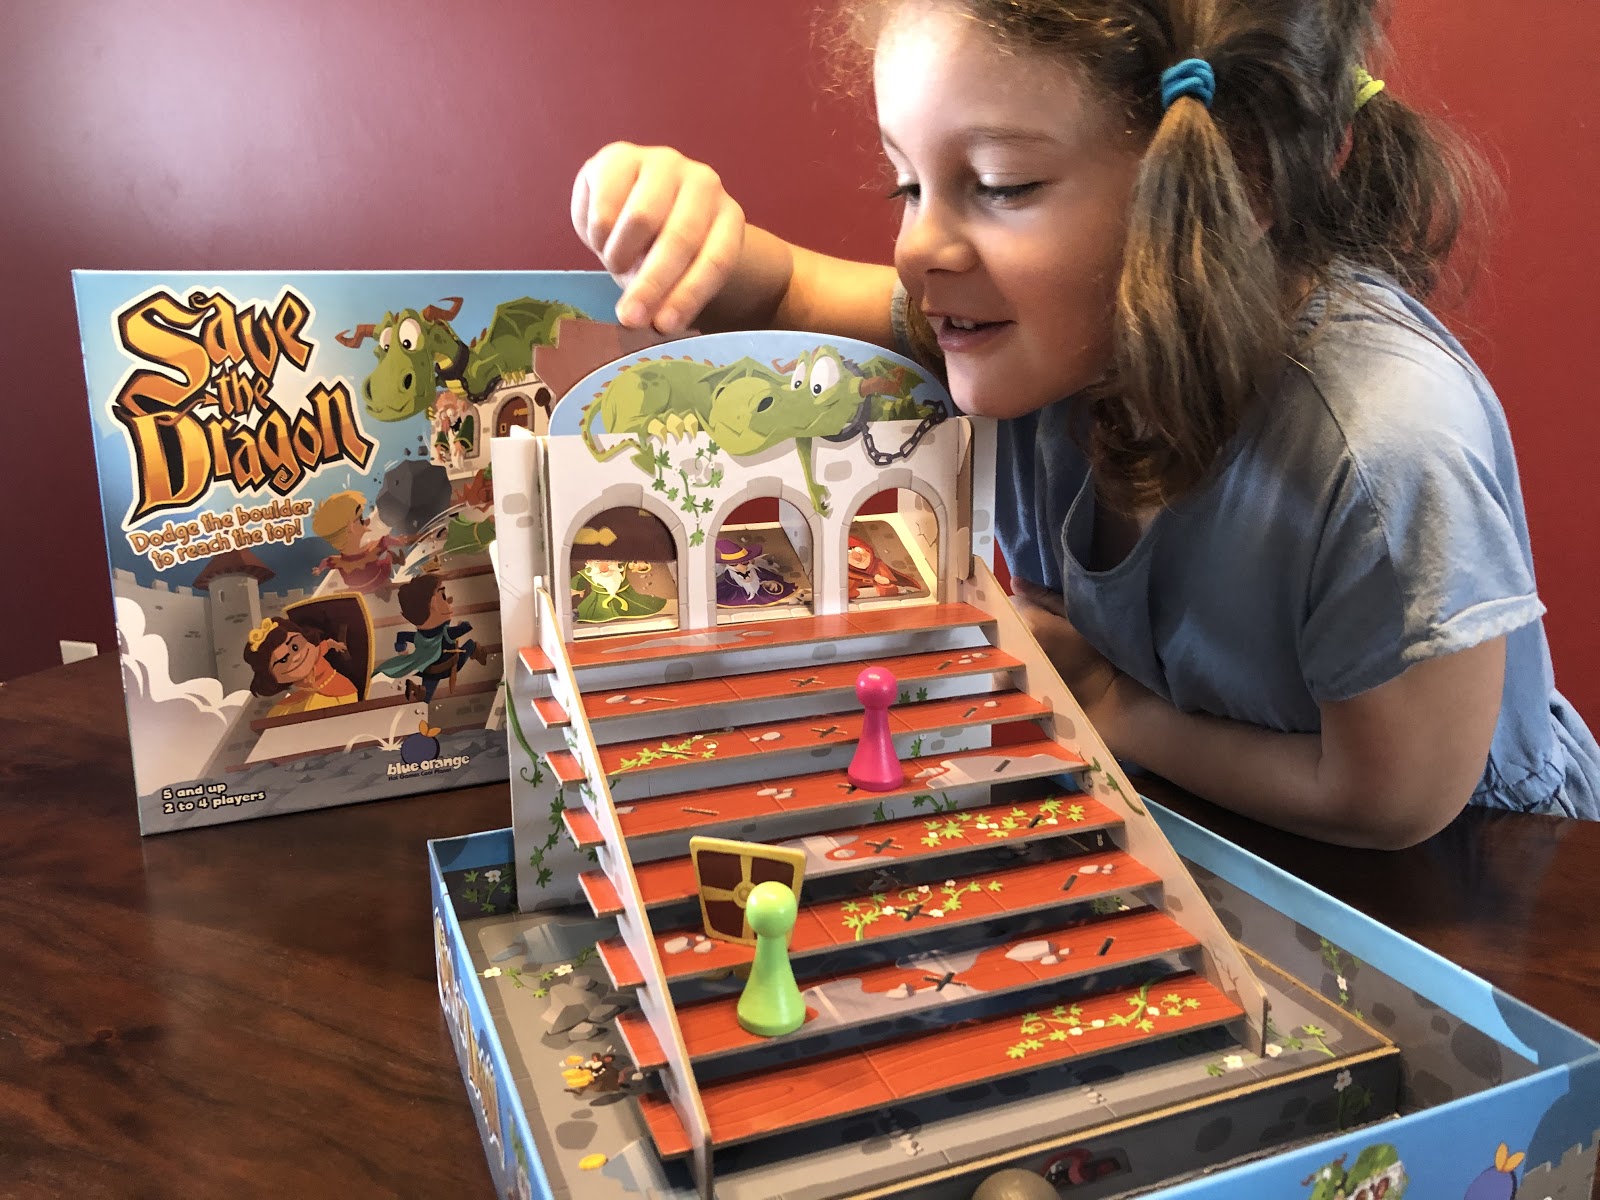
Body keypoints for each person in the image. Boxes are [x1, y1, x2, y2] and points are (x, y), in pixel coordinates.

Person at [568, 0, 1600, 847]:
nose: (918, 246)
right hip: (1178, 827)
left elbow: (1390, 800)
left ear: (1235, 179)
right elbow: (782, 291)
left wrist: (1107, 702)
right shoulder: (1036, 331)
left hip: (1475, 895)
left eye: (1000, 185)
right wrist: (680, 227)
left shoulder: (1385, 451)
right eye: (907, 182)